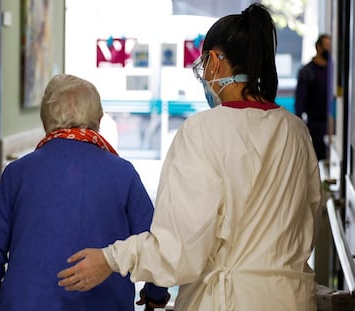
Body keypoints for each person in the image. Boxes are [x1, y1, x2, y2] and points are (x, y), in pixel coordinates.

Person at [57, 4, 322, 310]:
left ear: (213, 62)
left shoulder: (203, 131)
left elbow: (180, 249)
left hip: (229, 301)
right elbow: (307, 225)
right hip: (290, 299)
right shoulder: (296, 131)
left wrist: (111, 259)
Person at [0, 73, 169, 311]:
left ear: (45, 120)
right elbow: (154, 242)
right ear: (98, 120)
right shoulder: (123, 173)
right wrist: (155, 293)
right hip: (104, 303)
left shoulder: (17, 173)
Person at [294, 34, 331, 161]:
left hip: (332, 122)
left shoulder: (333, 71)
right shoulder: (307, 71)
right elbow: (300, 100)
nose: (329, 49)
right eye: (327, 46)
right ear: (318, 47)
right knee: (316, 157)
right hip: (315, 123)